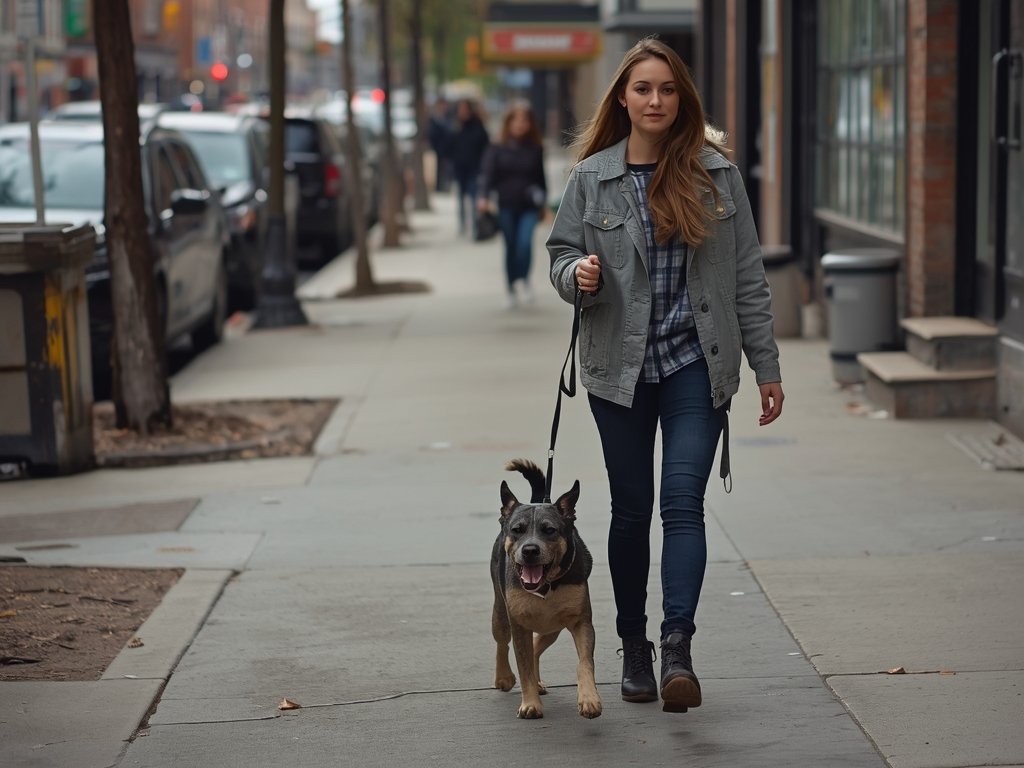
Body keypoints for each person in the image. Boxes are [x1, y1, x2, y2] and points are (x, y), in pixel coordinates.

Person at [546, 37, 785, 713]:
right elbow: (560, 254)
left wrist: (766, 366)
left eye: (667, 89)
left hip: (695, 363)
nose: (655, 100)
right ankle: (633, 646)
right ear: (623, 97)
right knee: (630, 511)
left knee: (682, 503)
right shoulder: (592, 177)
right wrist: (577, 275)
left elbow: (748, 279)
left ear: (683, 99)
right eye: (643, 88)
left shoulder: (717, 175)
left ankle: (677, 645)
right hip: (617, 371)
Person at [478, 101, 547, 309]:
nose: (520, 124)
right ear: (508, 123)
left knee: (524, 244)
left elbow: (541, 177)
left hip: (528, 205)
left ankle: (524, 279)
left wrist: (543, 204)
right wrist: (483, 197)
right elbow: (487, 174)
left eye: (524, 120)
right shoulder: (497, 146)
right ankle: (510, 288)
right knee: (510, 247)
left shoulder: (535, 147)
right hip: (506, 205)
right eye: (516, 120)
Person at [447, 98, 490, 237]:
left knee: (473, 198)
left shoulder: (477, 127)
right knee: (461, 198)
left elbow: (485, 147)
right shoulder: (455, 127)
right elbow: (449, 147)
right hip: (460, 169)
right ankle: (462, 224)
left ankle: (475, 227)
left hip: (474, 168)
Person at [427, 97, 452, 192]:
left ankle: (444, 186)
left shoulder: (448, 118)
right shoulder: (433, 119)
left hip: (446, 150)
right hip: (436, 149)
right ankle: (439, 187)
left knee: (446, 170)